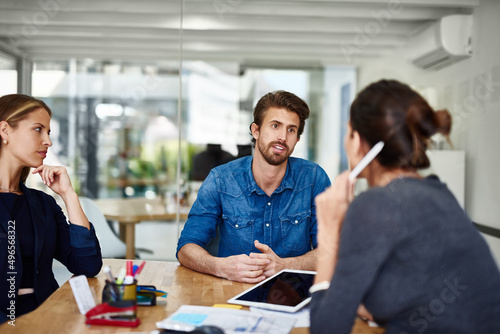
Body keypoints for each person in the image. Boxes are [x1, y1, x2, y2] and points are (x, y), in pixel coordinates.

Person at [310, 80, 500, 333]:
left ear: (357, 141)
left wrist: (328, 231)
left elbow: (326, 329)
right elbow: (411, 295)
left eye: (348, 131)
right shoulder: (438, 192)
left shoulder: (374, 205)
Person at [177, 90, 331, 283]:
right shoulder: (221, 179)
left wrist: (285, 266)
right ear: (256, 130)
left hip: (293, 294)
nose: (282, 137)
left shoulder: (314, 179)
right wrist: (220, 267)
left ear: (297, 139)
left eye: (291, 130)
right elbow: (186, 247)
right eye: (275, 126)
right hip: (231, 292)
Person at [0, 94, 102, 323]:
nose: (48, 141)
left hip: (47, 317)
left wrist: (69, 195)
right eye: (38, 129)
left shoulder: (43, 204)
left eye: (48, 132)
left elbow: (87, 265)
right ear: (5, 131)